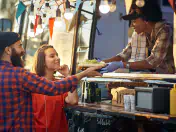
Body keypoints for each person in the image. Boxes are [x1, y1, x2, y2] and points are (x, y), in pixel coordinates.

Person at [0, 32, 103, 131]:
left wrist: (68, 75)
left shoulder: (19, 76)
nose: (23, 50)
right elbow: (54, 87)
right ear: (8, 50)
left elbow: (72, 100)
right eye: (20, 46)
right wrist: (84, 73)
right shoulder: (21, 76)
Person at [101, 1, 175, 74]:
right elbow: (124, 55)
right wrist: (101, 63)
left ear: (146, 20)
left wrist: (122, 65)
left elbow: (153, 61)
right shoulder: (140, 33)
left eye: (134, 21)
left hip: (170, 77)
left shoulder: (165, 30)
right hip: (156, 75)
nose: (132, 25)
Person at [32, 44, 78, 132]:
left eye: (57, 55)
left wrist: (68, 76)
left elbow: (73, 101)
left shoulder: (59, 83)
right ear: (42, 61)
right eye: (52, 56)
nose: (57, 58)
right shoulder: (32, 82)